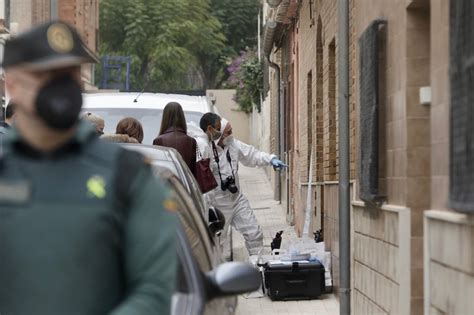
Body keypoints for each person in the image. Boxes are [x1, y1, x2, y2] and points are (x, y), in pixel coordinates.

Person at [0, 21, 178, 315]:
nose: (62, 84)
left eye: (70, 73)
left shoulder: (128, 177)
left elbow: (153, 290)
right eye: (46, 74)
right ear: (12, 84)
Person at [198, 113, 287, 255]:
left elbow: (252, 155)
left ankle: (258, 267)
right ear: (217, 132)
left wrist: (271, 159)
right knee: (217, 243)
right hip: (218, 204)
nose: (231, 135)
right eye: (228, 132)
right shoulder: (205, 149)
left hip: (236, 199)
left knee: (254, 233)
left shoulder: (233, 145)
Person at [153, 102, 197, 177]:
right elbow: (193, 171)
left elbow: (156, 170)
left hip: (167, 185)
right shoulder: (191, 141)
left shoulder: (158, 140)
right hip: (186, 186)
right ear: (182, 117)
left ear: (165, 118)